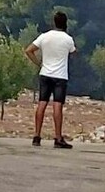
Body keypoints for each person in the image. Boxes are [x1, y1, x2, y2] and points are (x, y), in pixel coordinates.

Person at [25, 11, 76, 149]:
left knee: (42, 103)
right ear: (65, 23)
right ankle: (58, 138)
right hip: (60, 76)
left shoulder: (44, 37)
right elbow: (73, 52)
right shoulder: (68, 39)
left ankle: (37, 135)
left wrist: (39, 63)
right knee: (57, 106)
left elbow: (29, 50)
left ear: (54, 22)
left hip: (45, 73)